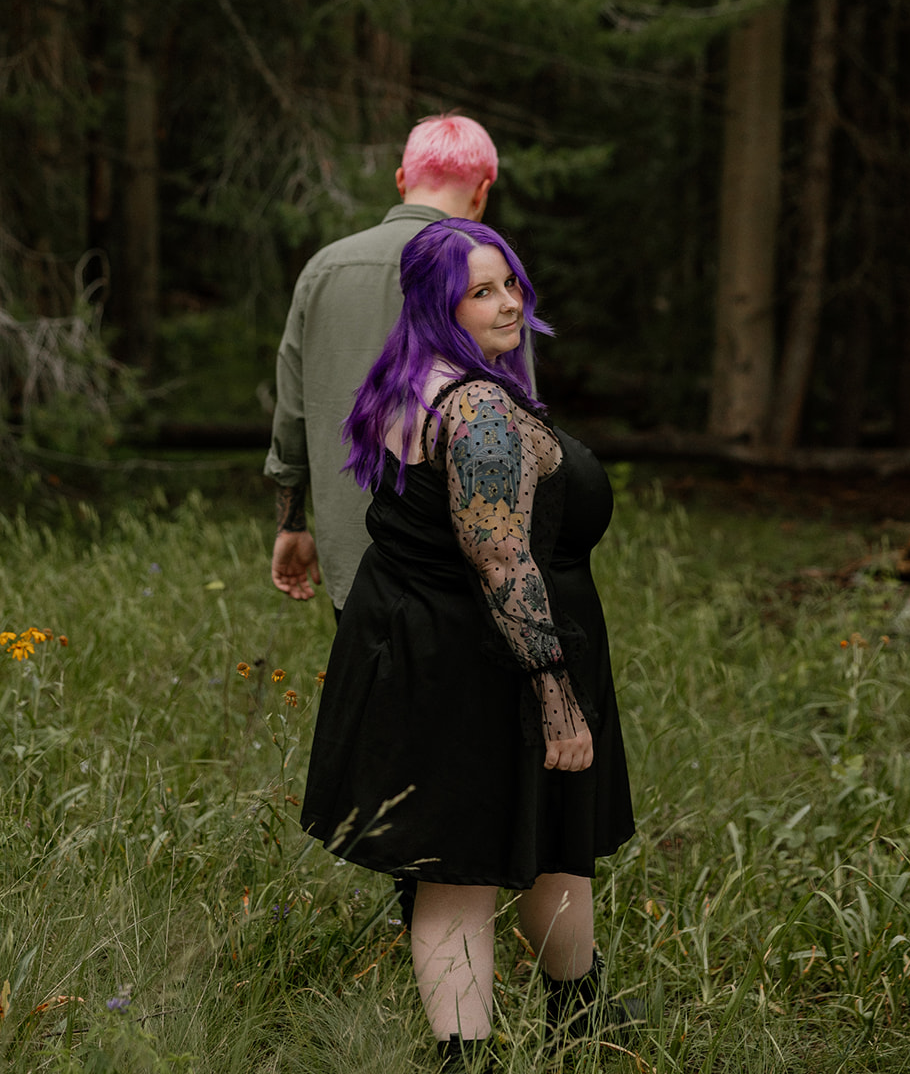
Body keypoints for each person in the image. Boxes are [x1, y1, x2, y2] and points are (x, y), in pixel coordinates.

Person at [300, 220, 635, 1068]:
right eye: (480, 291)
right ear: (435, 304)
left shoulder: (407, 380)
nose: (507, 303)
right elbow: (499, 561)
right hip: (487, 664)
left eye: (510, 283)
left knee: (531, 839)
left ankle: (577, 1011)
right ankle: (470, 1057)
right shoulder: (478, 408)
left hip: (420, 646)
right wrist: (557, 700)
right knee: (459, 875)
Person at [265, 115, 499, 615]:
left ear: (401, 180)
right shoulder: (491, 277)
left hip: (354, 567)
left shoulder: (324, 269)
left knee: (368, 693)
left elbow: (293, 414)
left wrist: (291, 524)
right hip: (463, 569)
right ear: (481, 192)